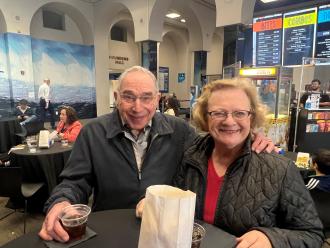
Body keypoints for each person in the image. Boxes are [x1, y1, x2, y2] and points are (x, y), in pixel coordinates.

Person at [39, 66, 275, 243]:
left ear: (158, 98)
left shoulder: (179, 131)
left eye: (146, 97)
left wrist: (250, 139)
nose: (137, 107)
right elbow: (74, 181)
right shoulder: (93, 132)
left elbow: (217, 145)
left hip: (165, 236)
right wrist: (61, 201)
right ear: (117, 98)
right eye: (129, 96)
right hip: (111, 233)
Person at [143, 78, 323, 247]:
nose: (229, 121)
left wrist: (273, 238)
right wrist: (154, 207)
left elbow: (312, 234)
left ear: (251, 117)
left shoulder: (279, 169)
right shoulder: (190, 155)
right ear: (206, 117)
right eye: (219, 113)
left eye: (239, 113)